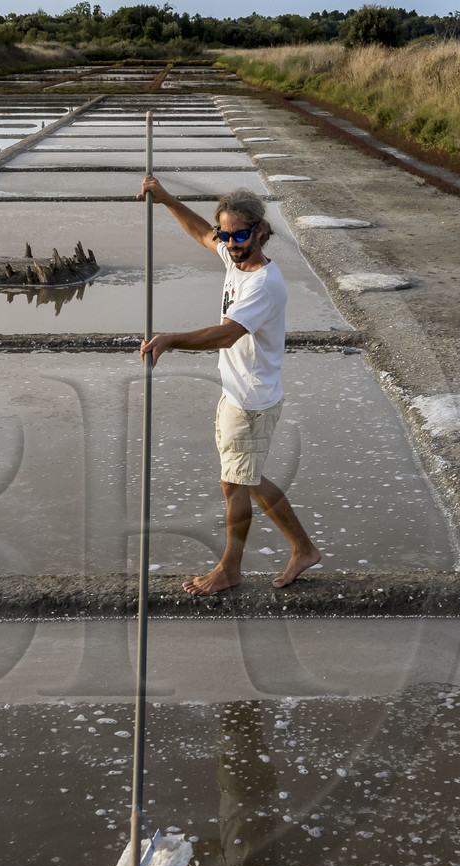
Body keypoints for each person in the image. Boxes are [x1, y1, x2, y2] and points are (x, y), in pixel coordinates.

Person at [137, 176, 321, 596]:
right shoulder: (235, 259)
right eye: (227, 234)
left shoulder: (262, 284)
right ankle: (303, 548)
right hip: (236, 394)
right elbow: (201, 232)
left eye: (240, 235)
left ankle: (230, 569)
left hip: (252, 401)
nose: (231, 242)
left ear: (259, 231)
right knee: (242, 479)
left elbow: (226, 335)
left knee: (237, 483)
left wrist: (170, 339)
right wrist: (165, 198)